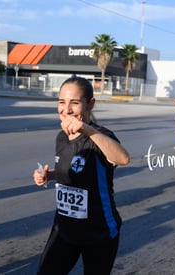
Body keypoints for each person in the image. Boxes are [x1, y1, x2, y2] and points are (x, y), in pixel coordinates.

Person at [33, 76, 130, 275]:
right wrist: (49, 175)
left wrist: (87, 130)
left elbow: (123, 158)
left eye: (74, 103)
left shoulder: (101, 137)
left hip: (98, 232)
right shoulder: (61, 136)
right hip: (64, 227)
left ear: (90, 104)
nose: (66, 109)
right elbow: (72, 172)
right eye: (62, 102)